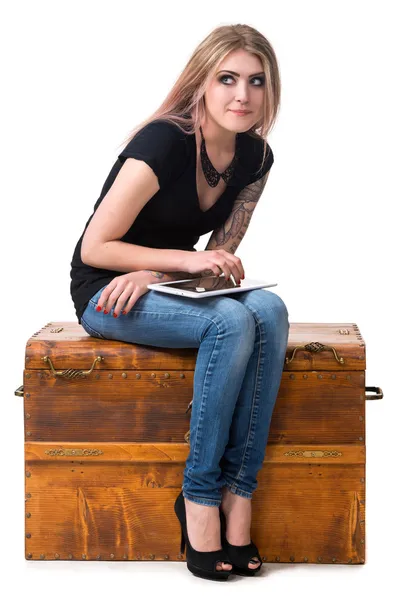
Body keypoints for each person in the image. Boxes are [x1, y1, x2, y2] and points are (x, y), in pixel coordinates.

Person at [69, 23, 289, 581]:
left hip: (159, 283)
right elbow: (95, 246)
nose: (243, 95)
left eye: (256, 81)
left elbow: (217, 261)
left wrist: (166, 269)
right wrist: (169, 264)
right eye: (228, 79)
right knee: (232, 326)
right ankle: (198, 499)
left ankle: (240, 495)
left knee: (267, 311)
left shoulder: (256, 157)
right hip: (107, 290)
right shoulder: (164, 142)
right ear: (201, 85)